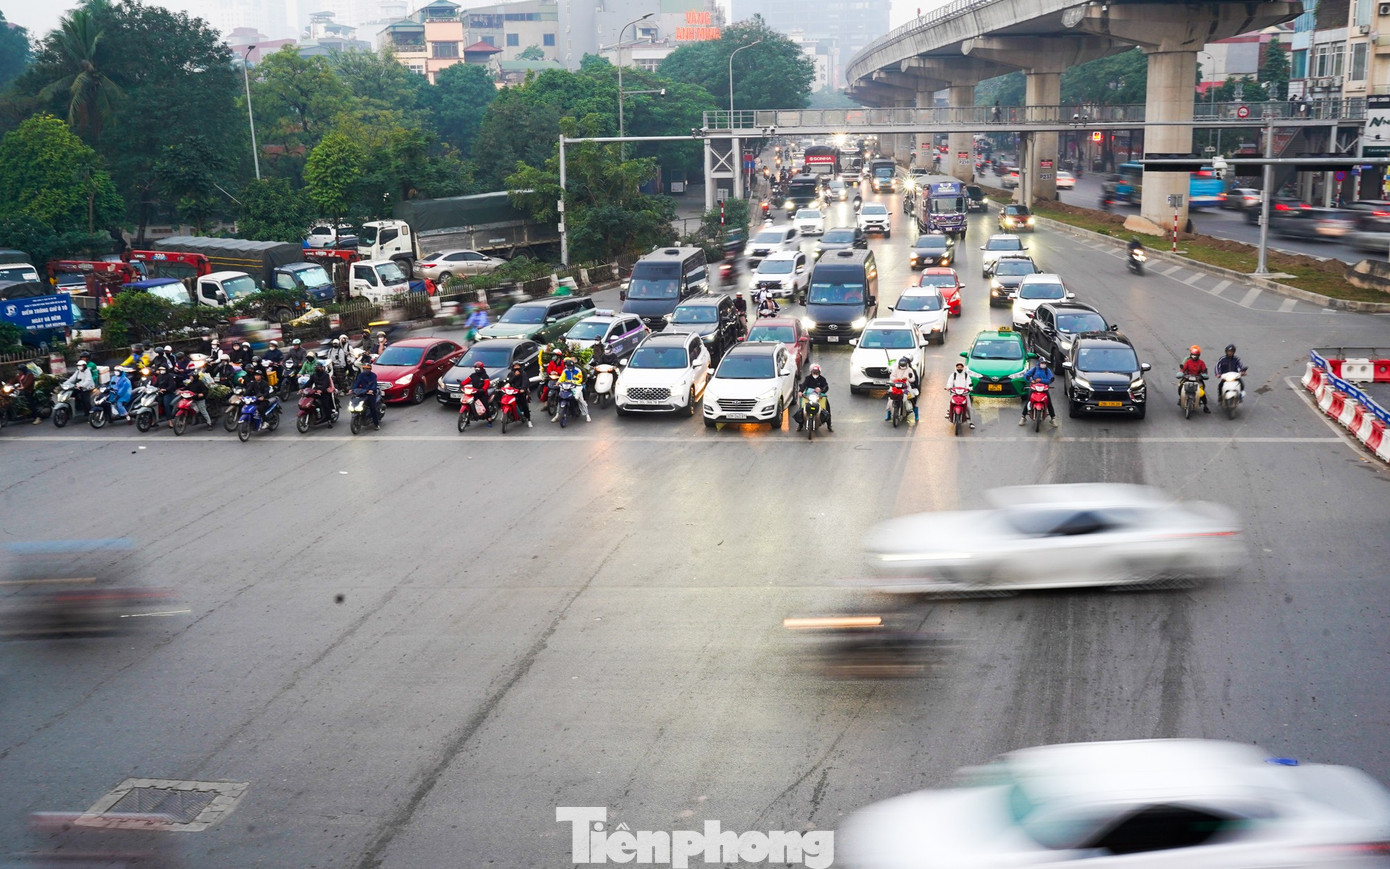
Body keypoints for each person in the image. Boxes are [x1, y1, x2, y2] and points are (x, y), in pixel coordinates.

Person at [1019, 357, 1058, 426]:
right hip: (1034, 389)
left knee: (1049, 402)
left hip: (1044, 389)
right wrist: (1031, 380)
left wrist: (1041, 380)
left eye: (1044, 363)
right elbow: (1026, 375)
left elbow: (1050, 379)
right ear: (1039, 363)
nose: (1043, 364)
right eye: (1042, 363)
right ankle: (1023, 417)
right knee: (1028, 401)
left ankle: (1053, 418)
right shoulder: (1034, 369)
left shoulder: (1047, 370)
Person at [796, 363, 832, 432]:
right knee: (801, 408)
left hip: (819, 397)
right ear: (811, 372)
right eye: (814, 372)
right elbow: (804, 385)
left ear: (819, 372)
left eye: (817, 372)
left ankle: (829, 425)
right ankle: (800, 425)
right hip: (808, 396)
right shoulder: (808, 378)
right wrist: (800, 391)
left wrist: (821, 389)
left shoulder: (822, 379)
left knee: (827, 408)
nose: (815, 373)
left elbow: (826, 387)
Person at [554, 356, 590, 422]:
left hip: (576, 386)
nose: (570, 368)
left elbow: (579, 379)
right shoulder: (565, 370)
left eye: (571, 367)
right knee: (560, 398)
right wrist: (558, 382)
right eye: (568, 367)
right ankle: (557, 415)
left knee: (580, 400)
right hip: (566, 386)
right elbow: (562, 378)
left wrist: (573, 382)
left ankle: (587, 415)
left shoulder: (578, 370)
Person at [886, 356, 920, 424]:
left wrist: (907, 379)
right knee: (890, 399)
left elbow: (913, 379)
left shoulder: (910, 370)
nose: (902, 367)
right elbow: (892, 376)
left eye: (904, 365)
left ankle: (916, 414)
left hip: (905, 388)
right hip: (895, 387)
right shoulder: (895, 369)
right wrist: (896, 379)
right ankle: (888, 414)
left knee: (910, 399)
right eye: (901, 365)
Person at [351, 359, 382, 430]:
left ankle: (376, 424)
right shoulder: (361, 375)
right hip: (362, 392)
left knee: (372, 408)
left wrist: (372, 390)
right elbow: (357, 383)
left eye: (367, 369)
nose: (366, 370)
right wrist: (352, 389)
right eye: (364, 368)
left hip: (371, 393)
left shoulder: (373, 375)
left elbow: (374, 384)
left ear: (370, 369)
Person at [1178, 345, 1211, 412]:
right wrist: (1181, 373)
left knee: (1202, 391)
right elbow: (1183, 369)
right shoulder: (1188, 361)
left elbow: (1204, 370)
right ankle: (1181, 398)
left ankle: (1205, 406)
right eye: (1193, 355)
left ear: (1198, 355)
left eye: (1195, 355)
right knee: (1180, 385)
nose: (1194, 357)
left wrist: (1204, 375)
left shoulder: (1201, 363)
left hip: (1197, 378)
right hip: (1187, 377)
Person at [945, 360, 975, 429]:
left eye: (961, 367)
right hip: (955, 393)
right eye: (958, 367)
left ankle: (971, 422)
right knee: (951, 403)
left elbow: (969, 383)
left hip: (964, 394)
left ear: (963, 368)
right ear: (956, 368)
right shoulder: (953, 375)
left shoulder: (966, 375)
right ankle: (949, 413)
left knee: (969, 407)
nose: (959, 368)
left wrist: (969, 388)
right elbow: (949, 382)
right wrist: (948, 387)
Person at [463, 361, 494, 426]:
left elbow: (487, 384)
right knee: (469, 404)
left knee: (485, 406)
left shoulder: (485, 376)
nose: (477, 369)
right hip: (474, 393)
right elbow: (466, 380)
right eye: (476, 368)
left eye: (478, 368)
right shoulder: (473, 375)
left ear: (481, 368)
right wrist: (461, 384)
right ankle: (467, 420)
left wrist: (483, 389)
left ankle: (489, 420)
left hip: (482, 394)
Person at [503, 361, 533, 427]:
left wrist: (523, 389)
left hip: (521, 391)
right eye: (515, 366)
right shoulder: (511, 373)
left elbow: (525, 382)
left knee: (524, 406)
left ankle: (528, 420)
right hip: (513, 391)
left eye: (517, 366)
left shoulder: (523, 373)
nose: (516, 367)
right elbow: (509, 381)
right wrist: (514, 376)